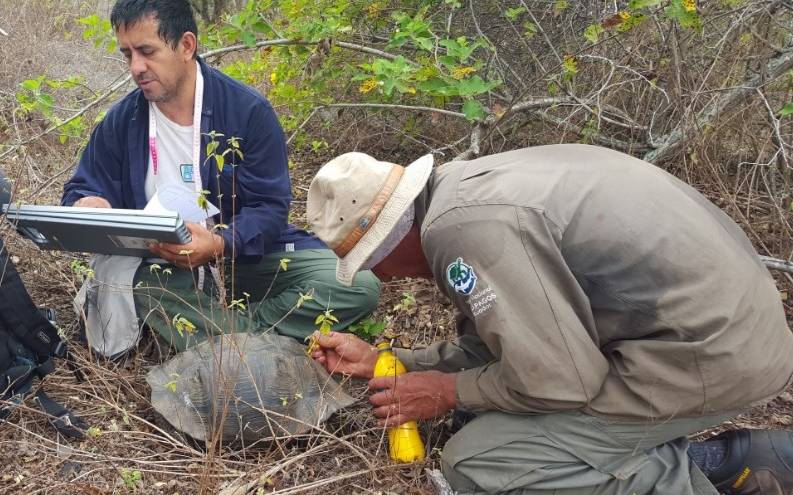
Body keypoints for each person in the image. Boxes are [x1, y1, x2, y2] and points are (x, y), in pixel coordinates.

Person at [305, 145, 793, 495]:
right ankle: (731, 462)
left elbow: (561, 382)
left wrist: (446, 392)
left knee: (483, 460)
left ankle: (699, 477)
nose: (382, 277)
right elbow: (507, 343)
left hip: (713, 357)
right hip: (726, 333)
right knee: (493, 412)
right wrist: (391, 363)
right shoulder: (463, 190)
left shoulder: (466, 231)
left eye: (371, 261)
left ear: (392, 237)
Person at [61, 0, 379, 354]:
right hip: (162, 267)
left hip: (238, 261)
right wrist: (89, 203)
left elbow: (270, 209)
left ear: (186, 46)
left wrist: (218, 243)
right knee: (131, 281)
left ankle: (228, 336)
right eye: (127, 54)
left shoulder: (246, 111)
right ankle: (251, 343)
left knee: (359, 285)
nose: (136, 67)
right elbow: (84, 187)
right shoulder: (122, 121)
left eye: (146, 51)